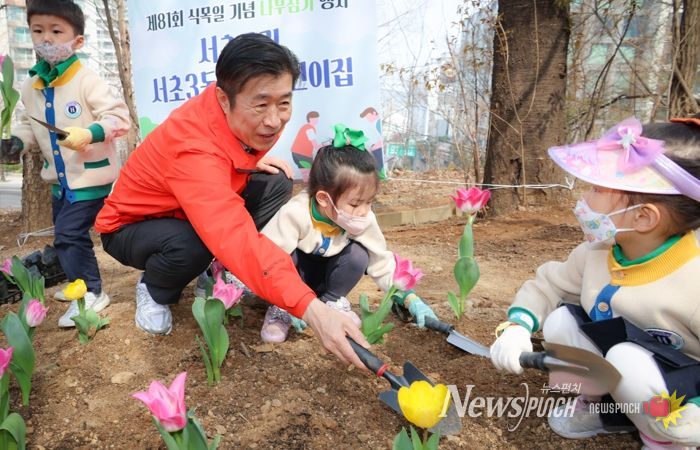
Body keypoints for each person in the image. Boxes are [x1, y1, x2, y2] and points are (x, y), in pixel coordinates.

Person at [94, 33, 369, 369]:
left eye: (283, 103)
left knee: (276, 182)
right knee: (195, 243)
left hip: (186, 207)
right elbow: (232, 232)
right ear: (224, 99)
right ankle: (154, 288)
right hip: (132, 227)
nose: (274, 120)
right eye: (261, 104)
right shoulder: (193, 148)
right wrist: (312, 309)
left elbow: (226, 160)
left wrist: (250, 162)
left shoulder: (233, 115)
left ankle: (220, 271)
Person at [489, 117, 700, 449]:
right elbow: (548, 287)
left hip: (678, 396)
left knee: (628, 360)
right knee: (561, 322)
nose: (584, 199)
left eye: (597, 189)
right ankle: (603, 409)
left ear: (643, 217)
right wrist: (516, 327)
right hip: (624, 371)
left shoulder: (693, 281)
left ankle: (664, 439)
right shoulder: (597, 253)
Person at [258, 124, 438, 343]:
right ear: (324, 198)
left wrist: (410, 298)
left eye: (369, 202)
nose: (363, 211)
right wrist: (289, 298)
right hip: (294, 278)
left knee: (359, 255)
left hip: (328, 279)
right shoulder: (295, 213)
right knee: (284, 257)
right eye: (355, 203)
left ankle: (331, 303)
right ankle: (281, 310)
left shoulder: (363, 218)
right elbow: (266, 259)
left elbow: (380, 261)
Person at [12, 0, 130, 327]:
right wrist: (17, 142)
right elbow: (27, 123)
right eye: (38, 31)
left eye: (56, 31)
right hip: (59, 183)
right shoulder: (31, 85)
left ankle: (92, 292)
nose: (46, 39)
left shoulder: (87, 80)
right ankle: (78, 284)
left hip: (90, 180)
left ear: (77, 41)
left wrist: (90, 133)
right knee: (65, 235)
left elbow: (119, 118)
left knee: (69, 234)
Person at [359, 106, 386, 179]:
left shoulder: (378, 123)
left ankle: (381, 175)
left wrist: (375, 146)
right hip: (379, 148)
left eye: (369, 117)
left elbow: (382, 139)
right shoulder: (376, 123)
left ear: (374, 113)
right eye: (367, 118)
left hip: (380, 149)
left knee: (375, 152)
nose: (368, 119)